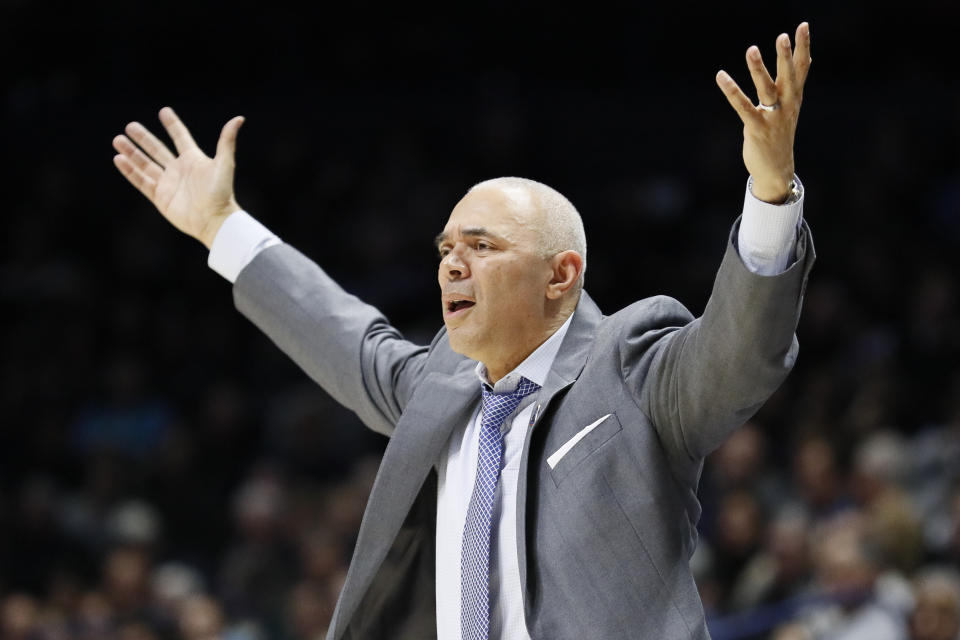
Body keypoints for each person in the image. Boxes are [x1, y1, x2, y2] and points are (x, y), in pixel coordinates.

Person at [111, 22, 814, 640]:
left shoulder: (629, 364)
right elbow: (336, 330)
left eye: (481, 247)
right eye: (446, 249)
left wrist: (770, 192)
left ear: (561, 274)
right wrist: (219, 227)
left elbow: (738, 355)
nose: (452, 265)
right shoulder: (437, 386)